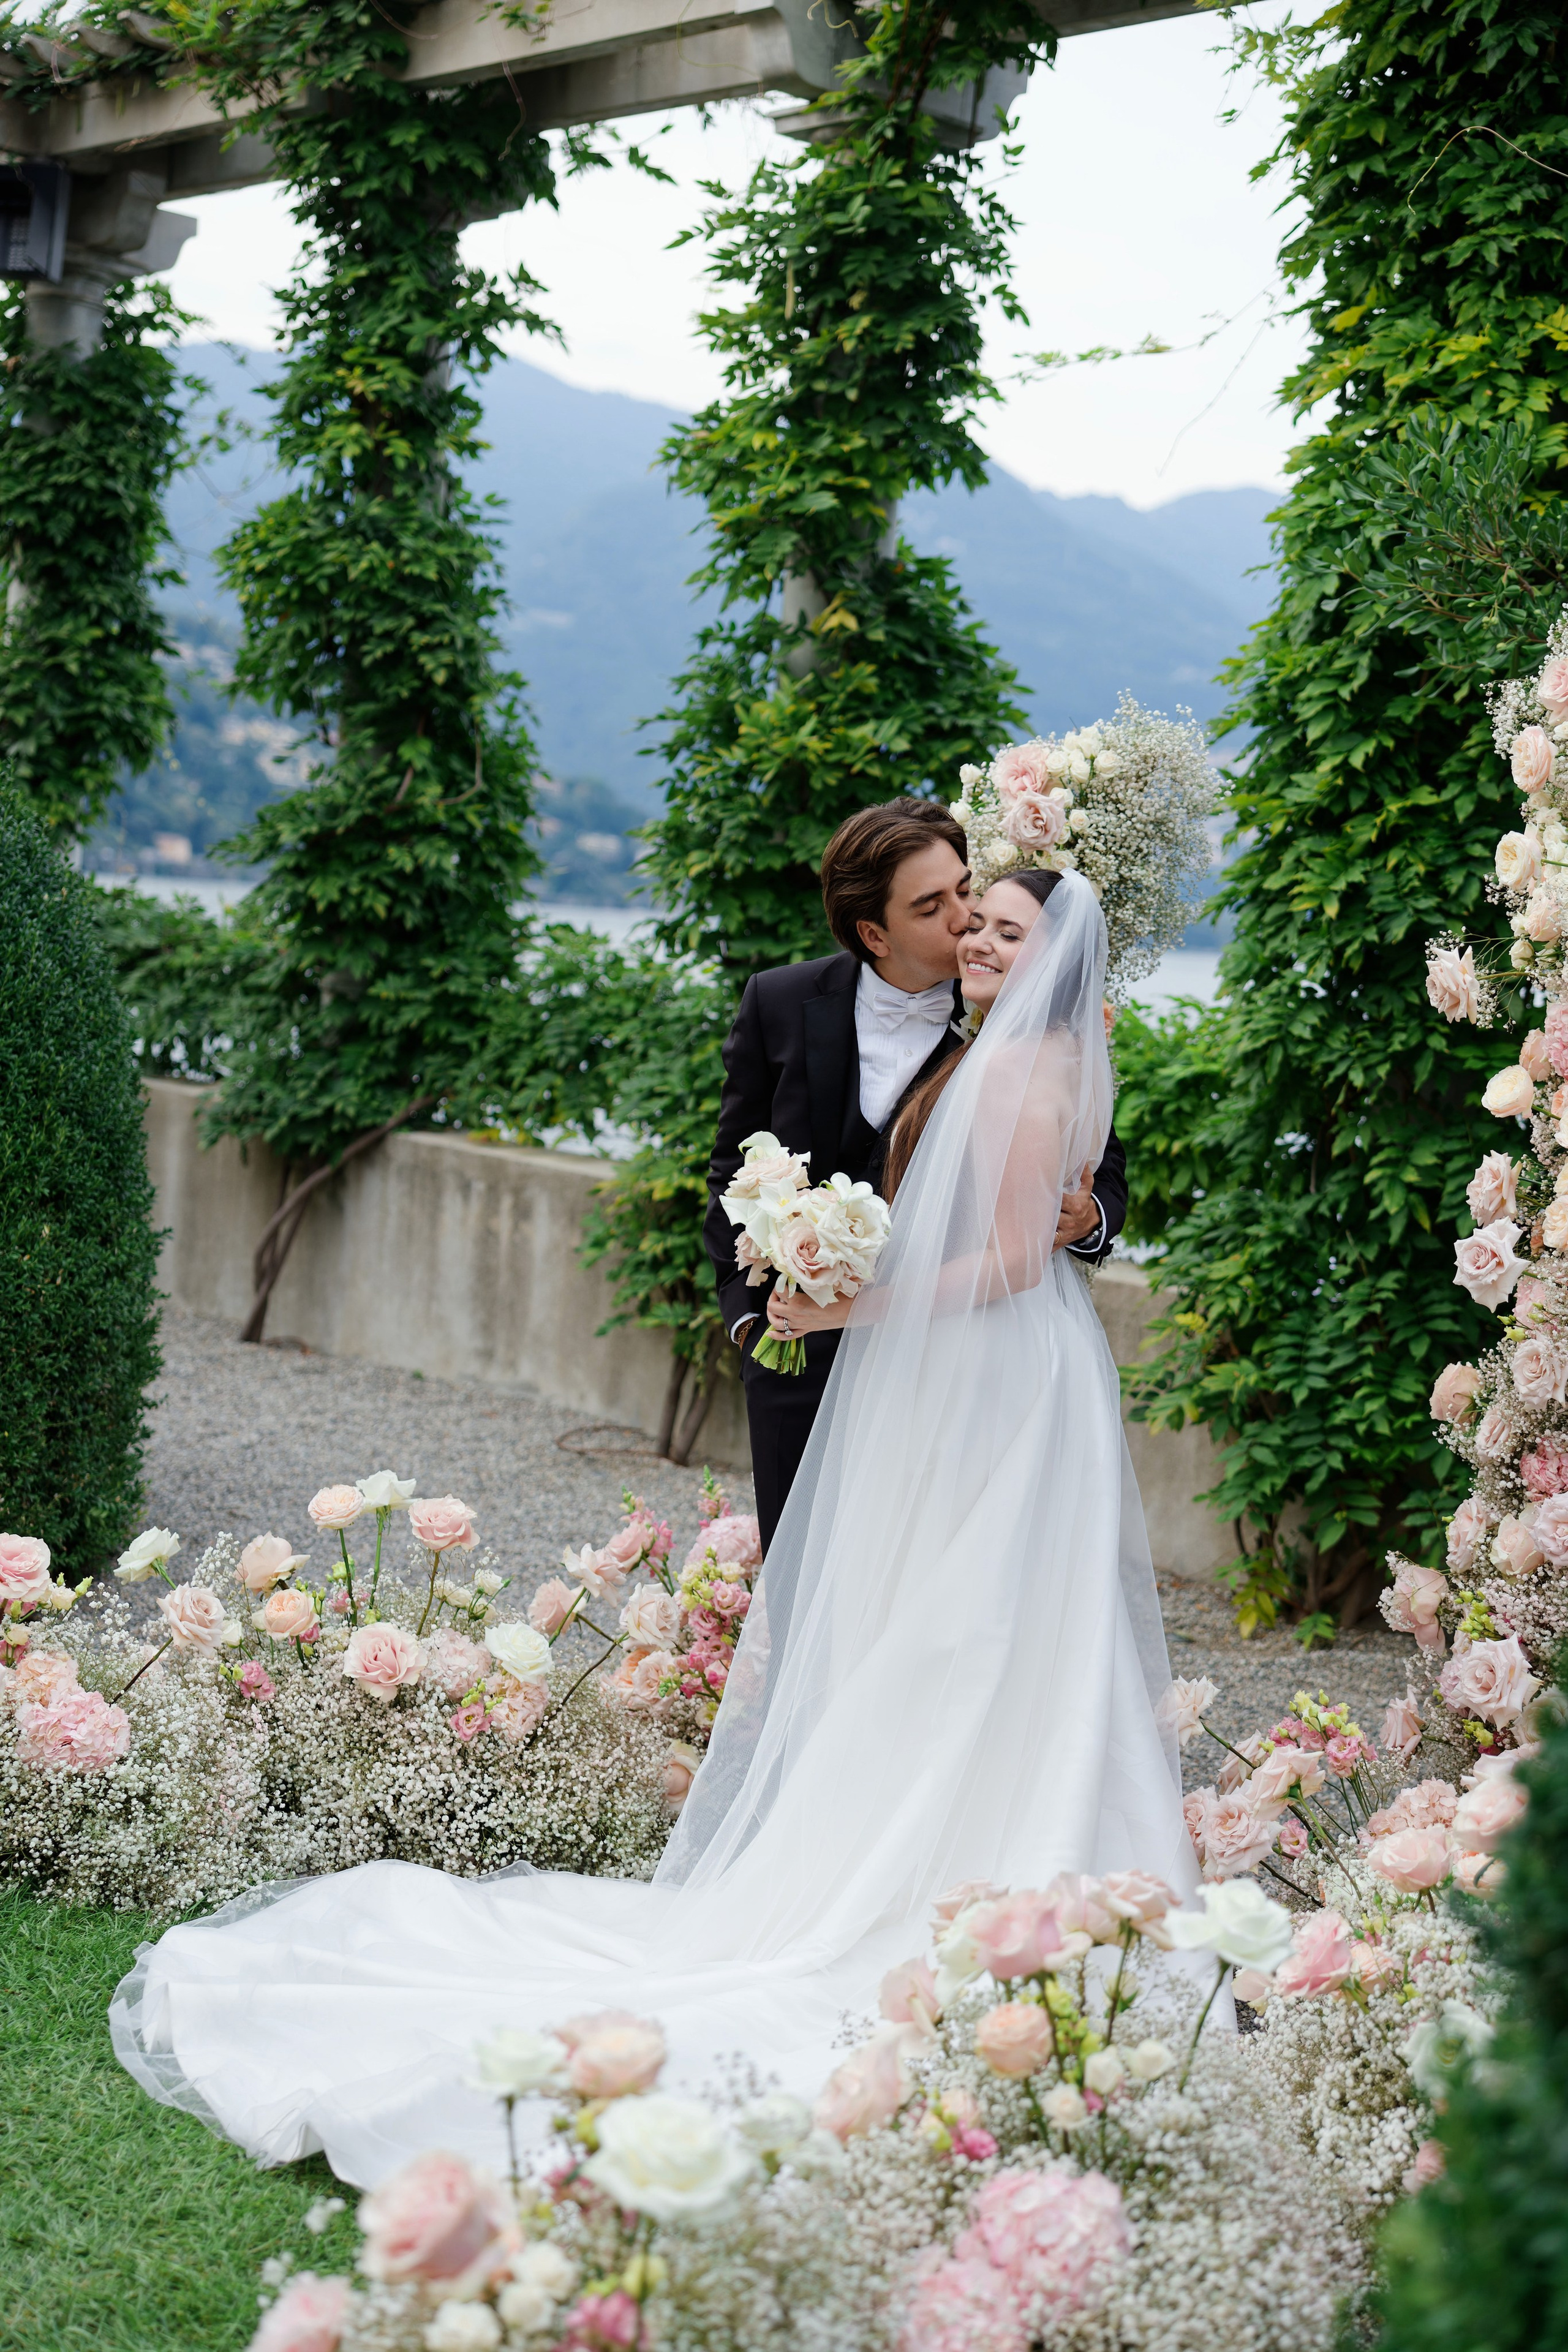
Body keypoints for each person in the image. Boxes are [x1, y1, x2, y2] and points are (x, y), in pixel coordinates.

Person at [110, 868, 1196, 2191]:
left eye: (1000, 928)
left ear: (1054, 955)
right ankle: (952, 1858)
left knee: (994, 1625)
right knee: (943, 1622)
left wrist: (853, 1306)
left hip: (999, 1376)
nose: (971, 939)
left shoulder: (1030, 1067)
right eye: (962, 921)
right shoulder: (984, 1044)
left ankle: (999, 1863)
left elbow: (1030, 1250)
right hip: (967, 1371)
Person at [706, 798, 1128, 1548]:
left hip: (942, 1360)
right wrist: (748, 1317)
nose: (967, 919)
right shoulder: (778, 1002)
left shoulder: (1013, 1014)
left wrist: (1090, 1215)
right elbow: (732, 1166)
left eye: (965, 889)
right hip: (796, 1351)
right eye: (934, 906)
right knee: (802, 1581)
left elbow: (1097, 1157)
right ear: (875, 932)